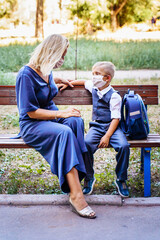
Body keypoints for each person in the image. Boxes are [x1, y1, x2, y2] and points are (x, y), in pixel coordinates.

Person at [15, 34, 96, 219]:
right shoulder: (25, 75)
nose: (63, 60)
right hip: (33, 124)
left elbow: (45, 82)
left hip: (49, 118)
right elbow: (31, 112)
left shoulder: (46, 70)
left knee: (75, 121)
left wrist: (58, 80)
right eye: (61, 55)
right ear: (51, 53)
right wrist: (61, 113)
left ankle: (76, 180)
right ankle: (76, 195)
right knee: (65, 132)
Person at [64, 61, 130, 198]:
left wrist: (107, 136)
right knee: (86, 145)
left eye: (97, 74)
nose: (93, 77)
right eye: (93, 74)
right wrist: (69, 83)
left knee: (124, 146)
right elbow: (83, 82)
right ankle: (89, 177)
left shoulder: (114, 96)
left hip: (112, 127)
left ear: (107, 78)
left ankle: (121, 179)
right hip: (97, 126)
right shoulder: (93, 86)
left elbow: (116, 119)